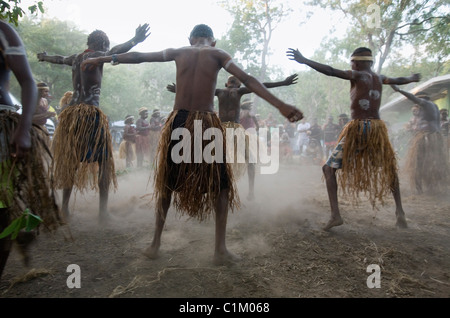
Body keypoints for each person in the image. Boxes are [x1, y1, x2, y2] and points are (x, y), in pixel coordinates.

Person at [82, 24, 303, 265]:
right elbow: (248, 80)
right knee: (222, 186)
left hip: (178, 121)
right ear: (213, 41)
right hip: (204, 123)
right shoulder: (218, 54)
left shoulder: (178, 51)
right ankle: (219, 249)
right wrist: (280, 105)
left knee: (167, 182)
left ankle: (155, 244)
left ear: (190, 39)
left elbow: (138, 56)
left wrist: (104, 57)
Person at [287, 46, 420, 230]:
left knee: (328, 169)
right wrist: (412, 78)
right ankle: (400, 213)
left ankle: (335, 216)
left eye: (352, 63)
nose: (351, 66)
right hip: (377, 128)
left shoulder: (357, 75)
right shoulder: (380, 78)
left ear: (357, 63)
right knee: (389, 168)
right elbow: (400, 79)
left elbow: (331, 71)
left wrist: (305, 60)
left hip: (359, 128)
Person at [37, 24, 151, 223]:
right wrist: (135, 40)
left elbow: (59, 59)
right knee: (105, 162)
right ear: (103, 44)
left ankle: (65, 209)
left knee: (70, 160)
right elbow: (118, 51)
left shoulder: (76, 57)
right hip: (89, 115)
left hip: (71, 116)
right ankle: (102, 212)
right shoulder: (99, 54)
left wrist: (44, 57)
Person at [167, 73, 297, 199]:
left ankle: (204, 185)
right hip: (234, 130)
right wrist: (284, 82)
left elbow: (198, 92)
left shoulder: (219, 91)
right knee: (250, 161)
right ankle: (250, 192)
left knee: (210, 160)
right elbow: (261, 86)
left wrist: (178, 90)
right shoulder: (239, 92)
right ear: (239, 85)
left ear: (226, 84)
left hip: (221, 130)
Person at [0, 20, 62, 280]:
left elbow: (27, 81)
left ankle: (14, 229)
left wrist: (23, 129)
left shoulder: (3, 32)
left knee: (2, 205)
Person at [391, 86, 448, 194]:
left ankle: (419, 189)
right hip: (436, 137)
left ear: (421, 99)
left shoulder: (424, 103)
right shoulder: (434, 105)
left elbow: (412, 97)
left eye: (416, 103)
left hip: (426, 138)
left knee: (418, 162)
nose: (415, 105)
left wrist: (399, 90)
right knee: (434, 162)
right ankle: (433, 186)